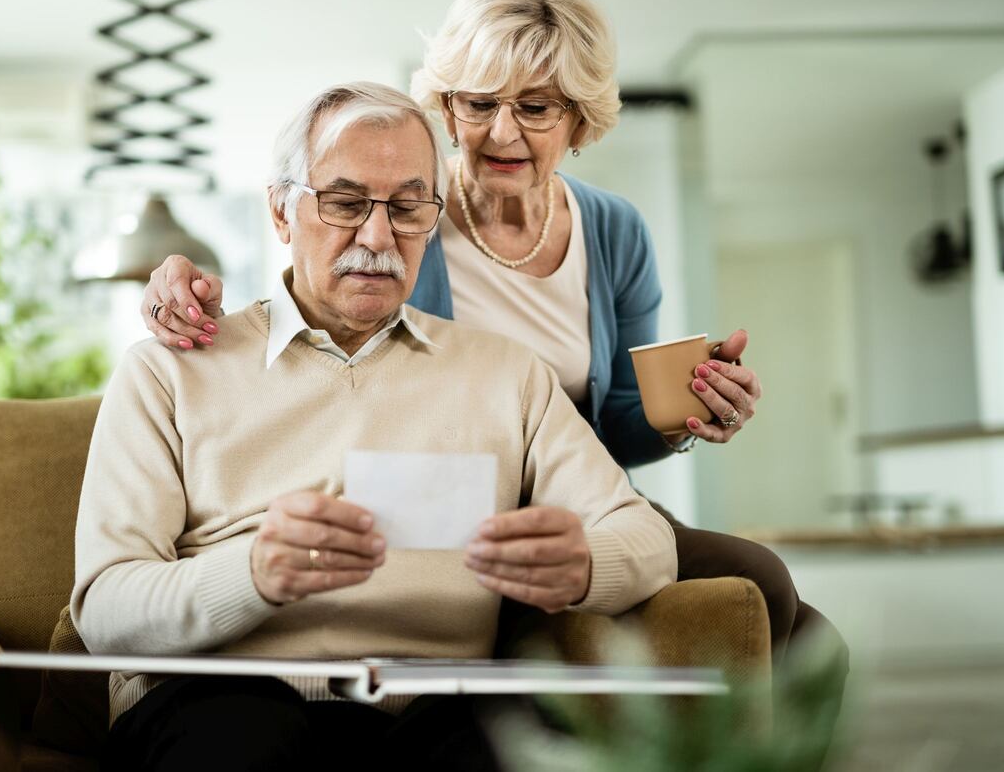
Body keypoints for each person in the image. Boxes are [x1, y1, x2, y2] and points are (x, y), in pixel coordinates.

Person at [138, 0, 848, 698]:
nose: (502, 132)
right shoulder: (405, 211)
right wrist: (176, 286)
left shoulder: (614, 231)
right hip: (445, 505)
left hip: (567, 495)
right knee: (764, 586)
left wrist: (689, 413)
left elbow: (620, 428)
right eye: (479, 104)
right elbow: (306, 305)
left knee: (801, 623)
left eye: (536, 107)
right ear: (447, 108)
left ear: (579, 119)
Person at [73, 82, 677, 772]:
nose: (378, 236)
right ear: (280, 210)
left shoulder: (507, 374)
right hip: (218, 696)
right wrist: (252, 573)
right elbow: (106, 608)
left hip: (439, 705)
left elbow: (648, 542)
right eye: (346, 202)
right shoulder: (168, 372)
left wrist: (585, 566)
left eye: (407, 207)